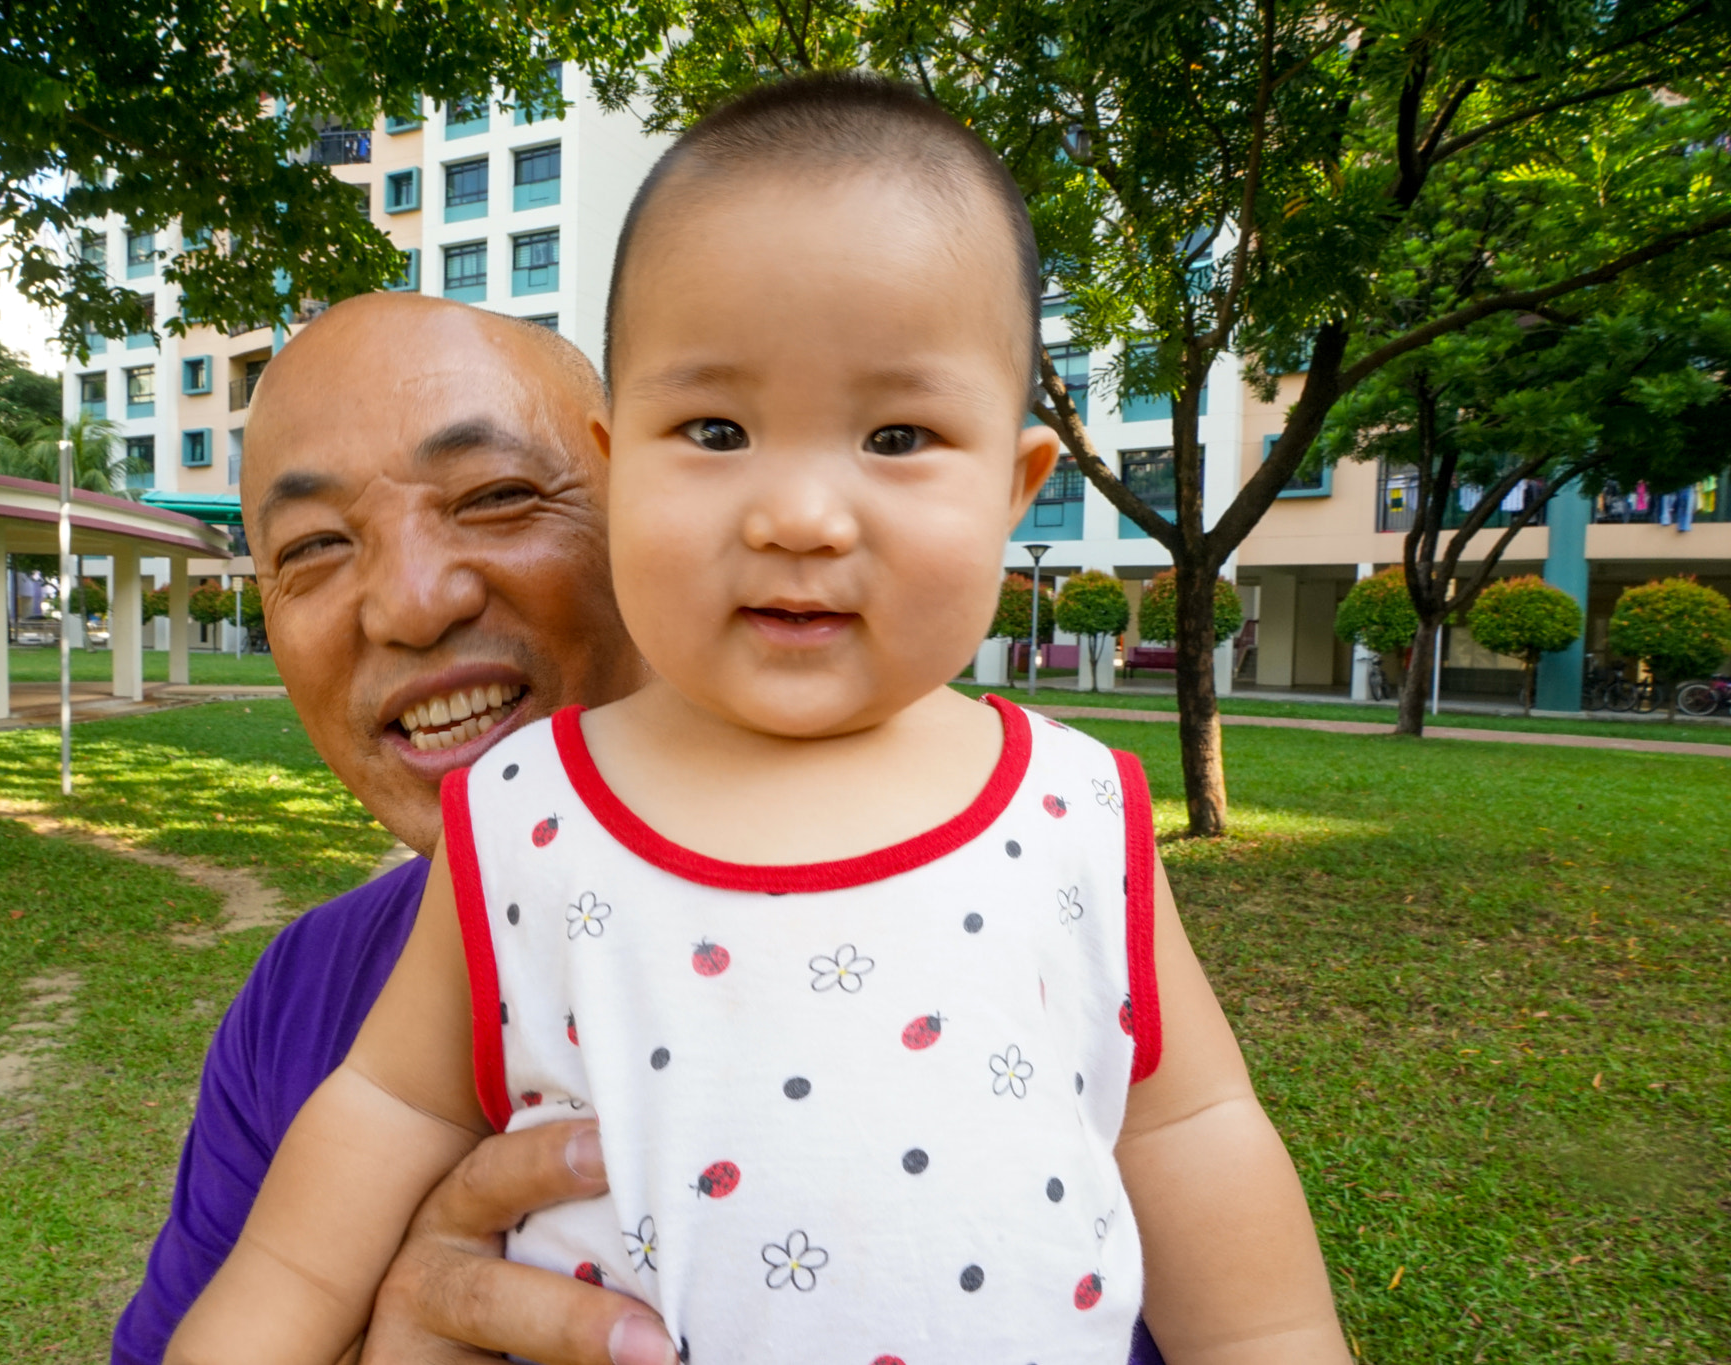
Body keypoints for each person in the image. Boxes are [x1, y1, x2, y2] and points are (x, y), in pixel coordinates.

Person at [165, 74, 1345, 1365]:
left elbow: (1194, 1140)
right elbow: (371, 1125)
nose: (798, 513)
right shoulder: (522, 818)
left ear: (1016, 492)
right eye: (717, 427)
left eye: (897, 433)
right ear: (620, 470)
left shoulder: (1072, 815)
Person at [113, 294, 686, 1365]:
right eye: (315, 547)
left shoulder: (1028, 896)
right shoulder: (307, 998)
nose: (410, 604)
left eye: (497, 495)